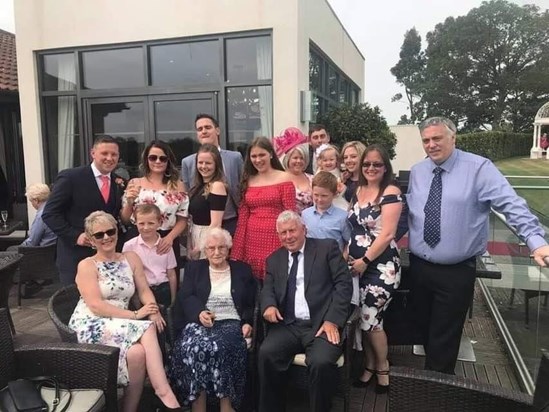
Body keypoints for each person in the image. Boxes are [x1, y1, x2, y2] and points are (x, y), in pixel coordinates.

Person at [407, 116, 549, 375]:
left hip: (455, 272)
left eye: (437, 138)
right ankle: (431, 377)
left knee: (444, 339)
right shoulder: (418, 171)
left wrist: (535, 240)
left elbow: (511, 204)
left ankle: (436, 388)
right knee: (424, 330)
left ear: (453, 137)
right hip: (419, 267)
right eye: (426, 140)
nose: (431, 145)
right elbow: (412, 213)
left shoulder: (479, 168)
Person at [68, 211, 182, 412]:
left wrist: (153, 310)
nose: (106, 237)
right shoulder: (87, 265)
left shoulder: (130, 258)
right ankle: (163, 390)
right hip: (92, 322)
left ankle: (129, 409)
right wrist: (137, 315)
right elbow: (95, 305)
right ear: (91, 240)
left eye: (110, 231)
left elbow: (144, 290)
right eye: (99, 235)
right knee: (146, 328)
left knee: (137, 354)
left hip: (120, 323)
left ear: (117, 232)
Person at [258, 210, 352, 412]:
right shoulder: (274, 259)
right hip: (288, 325)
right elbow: (268, 289)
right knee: (266, 354)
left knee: (320, 363)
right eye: (283, 233)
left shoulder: (327, 249)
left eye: (292, 230)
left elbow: (344, 285)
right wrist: (269, 305)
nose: (288, 236)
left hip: (321, 324)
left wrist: (332, 320)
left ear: (304, 230)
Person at [168, 228, 255, 412]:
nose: (217, 252)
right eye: (211, 248)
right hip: (200, 322)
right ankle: (198, 406)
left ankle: (227, 406)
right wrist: (199, 312)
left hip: (231, 321)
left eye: (221, 247)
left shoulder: (242, 270)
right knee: (193, 347)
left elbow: (250, 303)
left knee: (220, 348)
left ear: (228, 248)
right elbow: (186, 296)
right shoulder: (195, 268)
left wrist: (247, 322)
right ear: (204, 250)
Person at [347, 144, 402, 393]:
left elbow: (387, 233)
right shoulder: (357, 190)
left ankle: (383, 368)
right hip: (356, 266)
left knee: (371, 318)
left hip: (381, 267)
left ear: (385, 167)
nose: (371, 168)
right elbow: (353, 230)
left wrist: (365, 261)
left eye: (377, 164)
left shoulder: (390, 191)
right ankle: (369, 365)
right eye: (367, 164)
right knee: (365, 320)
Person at [43, 135, 124, 285]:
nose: (109, 158)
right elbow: (50, 213)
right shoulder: (71, 177)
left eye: (114, 154)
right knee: (76, 305)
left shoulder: (118, 181)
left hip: (106, 259)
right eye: (104, 153)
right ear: (93, 153)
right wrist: (76, 236)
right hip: (75, 257)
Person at [230, 137, 296, 280]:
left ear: (271, 154)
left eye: (262, 155)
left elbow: (290, 215)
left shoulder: (285, 178)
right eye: (254, 156)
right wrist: (237, 249)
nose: (258, 160)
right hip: (251, 239)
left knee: (274, 279)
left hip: (275, 239)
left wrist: (288, 241)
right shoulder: (248, 180)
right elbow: (243, 217)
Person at [120, 140, 188, 263]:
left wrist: (169, 238)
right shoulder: (135, 183)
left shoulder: (178, 186)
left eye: (163, 158)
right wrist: (129, 202)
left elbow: (183, 220)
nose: (158, 161)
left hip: (166, 240)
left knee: (169, 279)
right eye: (153, 157)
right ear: (146, 160)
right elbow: (125, 219)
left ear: (168, 161)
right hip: (138, 238)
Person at [181, 114, 243, 236]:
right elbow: (187, 193)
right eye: (200, 129)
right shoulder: (187, 162)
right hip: (202, 227)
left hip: (232, 223)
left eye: (207, 127)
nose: (203, 131)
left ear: (217, 130)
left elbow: (243, 187)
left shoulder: (235, 158)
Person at [122, 204, 177, 308]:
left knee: (166, 320)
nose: (146, 227)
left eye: (151, 223)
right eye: (141, 223)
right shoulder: (129, 246)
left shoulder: (165, 245)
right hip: (141, 290)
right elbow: (127, 274)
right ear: (135, 223)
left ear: (159, 223)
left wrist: (174, 298)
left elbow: (171, 273)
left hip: (163, 289)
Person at [7, 183, 57, 297]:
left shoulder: (41, 216)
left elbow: (32, 242)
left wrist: (21, 245)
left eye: (31, 201)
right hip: (51, 250)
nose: (32, 204)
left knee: (8, 253)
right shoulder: (53, 209)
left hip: (39, 253)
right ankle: (30, 282)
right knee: (12, 248)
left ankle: (26, 282)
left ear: (36, 200)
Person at [187, 144, 228, 260]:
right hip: (195, 235)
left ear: (216, 165)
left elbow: (216, 224)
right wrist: (190, 245)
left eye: (208, 163)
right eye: (200, 163)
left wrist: (199, 248)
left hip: (208, 239)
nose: (203, 166)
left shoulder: (217, 186)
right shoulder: (197, 187)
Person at [301, 172, 350, 253]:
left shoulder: (343, 217)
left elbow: (348, 242)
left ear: (334, 194)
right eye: (316, 195)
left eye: (324, 196)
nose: (319, 199)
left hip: (334, 261)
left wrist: (343, 259)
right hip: (311, 261)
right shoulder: (305, 214)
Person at [274, 128, 312, 213]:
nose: (298, 161)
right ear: (288, 159)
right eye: (295, 158)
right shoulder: (279, 179)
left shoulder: (312, 179)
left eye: (301, 158)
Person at [315, 144, 348, 210]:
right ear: (320, 162)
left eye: (331, 159)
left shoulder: (338, 171)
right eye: (325, 160)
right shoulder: (320, 174)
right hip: (325, 200)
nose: (328, 163)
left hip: (338, 199)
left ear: (336, 160)